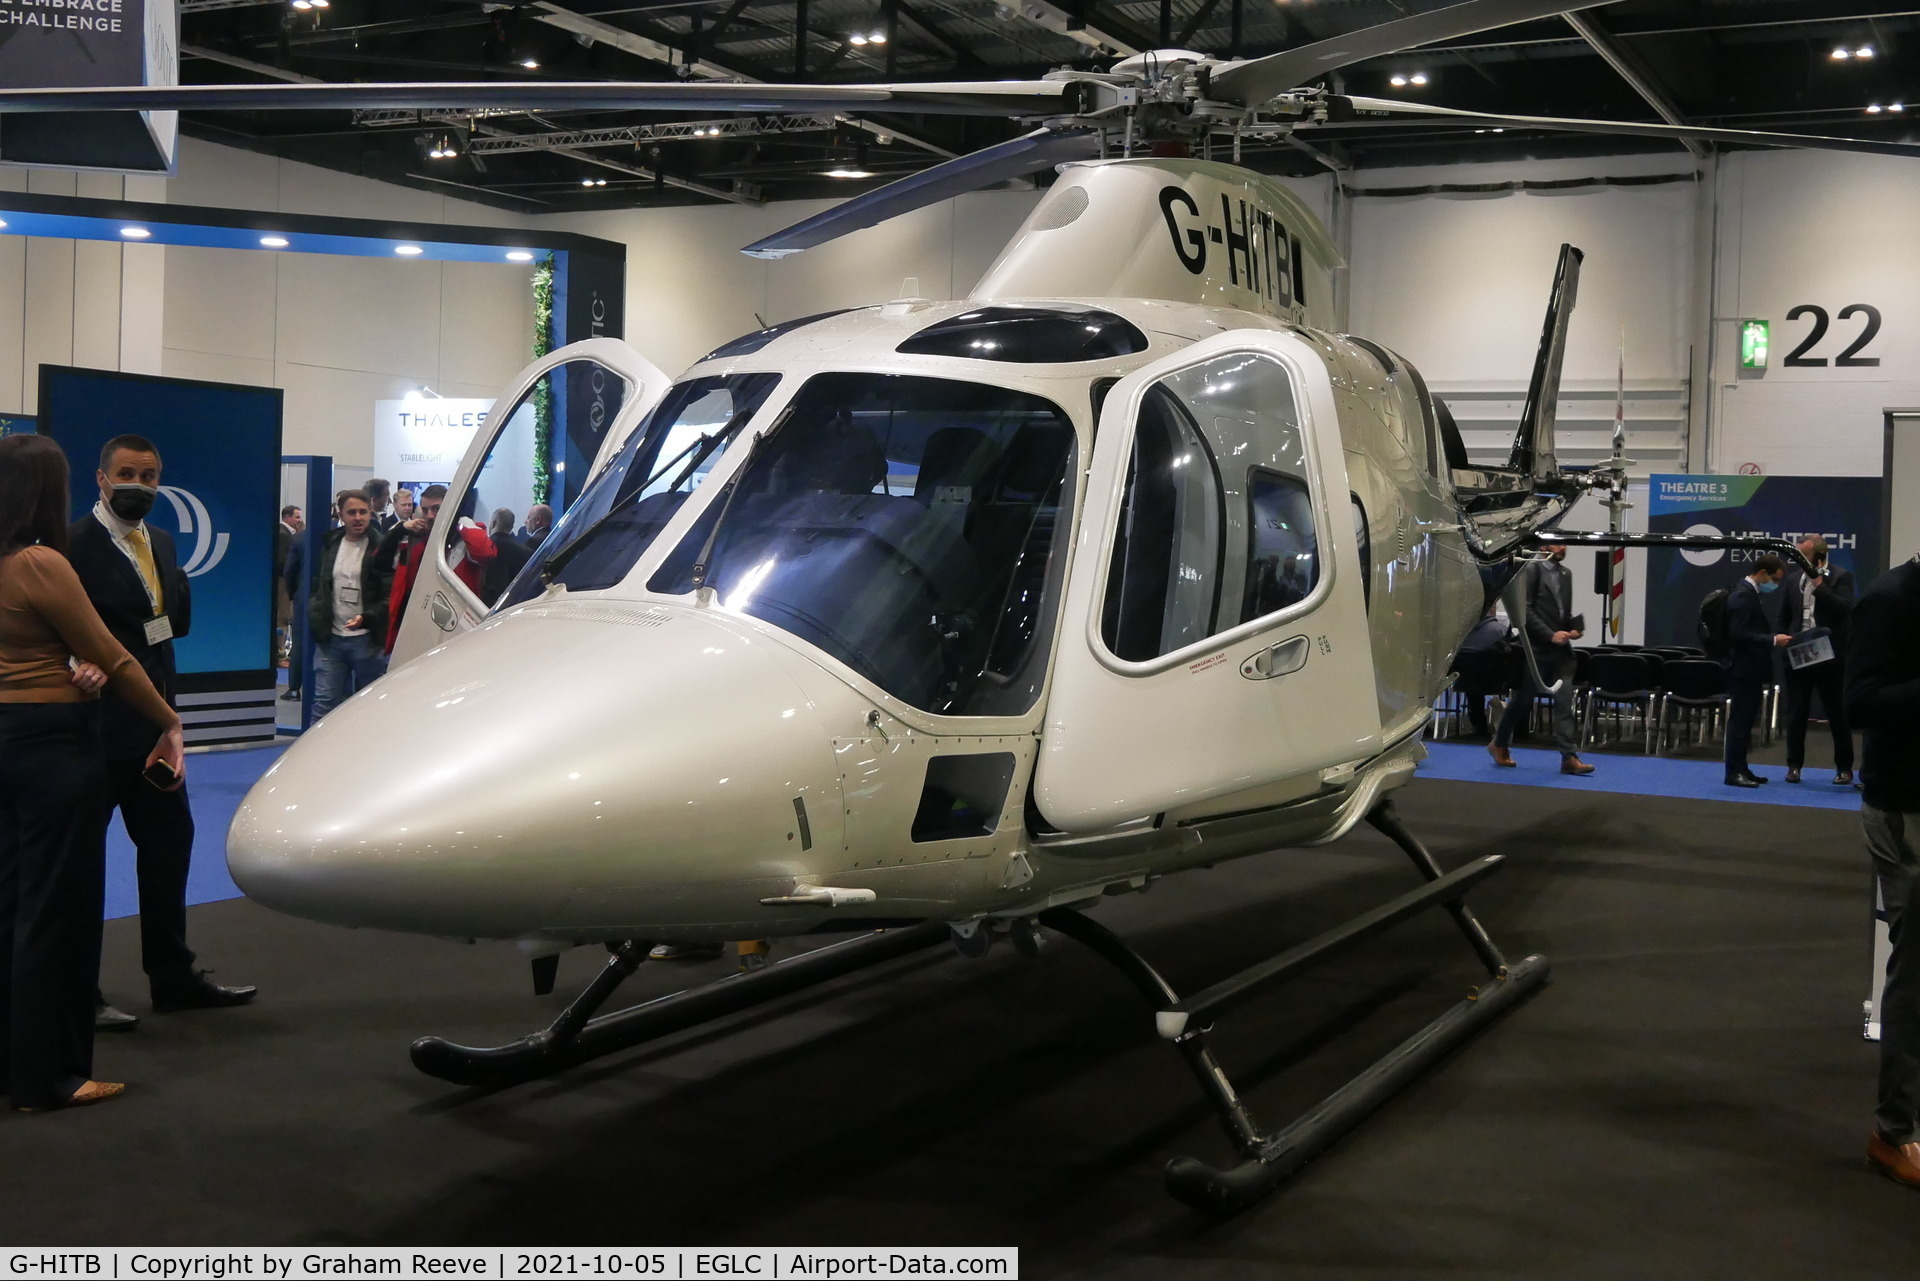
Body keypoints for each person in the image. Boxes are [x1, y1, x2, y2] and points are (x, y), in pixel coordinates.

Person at [0, 434, 185, 1110]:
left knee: (12, 904)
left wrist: (63, 663)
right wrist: (168, 721)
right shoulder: (42, 562)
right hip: (54, 748)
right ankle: (53, 1075)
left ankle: (15, 1066)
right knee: (58, 912)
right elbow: (115, 656)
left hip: (7, 741)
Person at [66, 435, 257, 1015]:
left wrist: (170, 723)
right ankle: (79, 995)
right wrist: (74, 665)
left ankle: (172, 978)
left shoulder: (166, 543)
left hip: (155, 733)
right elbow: (47, 632)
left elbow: (163, 631)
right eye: (127, 474)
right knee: (80, 869)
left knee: (171, 848)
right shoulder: (70, 547)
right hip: (90, 736)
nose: (140, 486)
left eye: (150, 477)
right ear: (101, 479)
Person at [1845, 549, 1920, 1188]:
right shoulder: (1891, 599)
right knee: (1917, 974)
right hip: (1905, 810)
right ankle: (1895, 1133)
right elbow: (1860, 702)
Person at [1488, 545, 1594, 775]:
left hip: (1561, 654)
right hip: (1535, 651)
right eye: (1558, 543)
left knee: (1565, 703)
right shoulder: (1531, 571)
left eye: (1565, 543)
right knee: (1521, 703)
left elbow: (1561, 612)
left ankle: (1569, 757)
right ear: (1545, 546)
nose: (1563, 547)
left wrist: (1574, 629)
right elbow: (1525, 610)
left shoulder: (1566, 574)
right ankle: (1499, 743)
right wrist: (1550, 634)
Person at [372, 484, 494, 654]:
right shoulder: (414, 539)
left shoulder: (465, 537)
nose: (430, 515)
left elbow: (485, 553)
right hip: (417, 626)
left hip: (458, 628)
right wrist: (400, 529)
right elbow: (379, 562)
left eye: (437, 509)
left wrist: (459, 521)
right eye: (425, 509)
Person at [1782, 535, 1857, 785]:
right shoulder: (1793, 580)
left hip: (1830, 658)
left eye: (1803, 555)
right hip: (1798, 655)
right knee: (1796, 714)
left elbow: (1844, 608)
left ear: (1819, 556)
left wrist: (1819, 584)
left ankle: (1844, 768)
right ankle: (1794, 766)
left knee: (1837, 714)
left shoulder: (1840, 577)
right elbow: (1785, 616)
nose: (1797, 559)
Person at [308, 491, 389, 720]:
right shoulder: (331, 544)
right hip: (331, 639)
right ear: (340, 515)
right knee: (324, 704)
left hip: (367, 641)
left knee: (370, 706)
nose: (358, 518)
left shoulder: (381, 546)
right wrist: (315, 612)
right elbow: (320, 585)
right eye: (351, 512)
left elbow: (389, 594)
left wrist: (368, 617)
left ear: (370, 513)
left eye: (363, 512)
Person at [1721, 552, 1794, 788]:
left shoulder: (1748, 593)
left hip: (1749, 669)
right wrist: (1772, 640)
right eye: (1775, 579)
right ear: (1762, 573)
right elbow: (1739, 634)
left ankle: (1742, 768)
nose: (1776, 585)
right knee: (1739, 723)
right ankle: (1733, 772)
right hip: (1743, 669)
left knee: (1745, 721)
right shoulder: (1743, 595)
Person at [276, 506, 305, 703]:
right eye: (296, 517)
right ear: (287, 517)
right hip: (283, 584)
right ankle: (279, 654)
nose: (298, 520)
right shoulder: (284, 535)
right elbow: (284, 564)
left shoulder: (292, 535)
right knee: (282, 618)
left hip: (287, 584)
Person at [482, 508, 531, 605]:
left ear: (493, 523)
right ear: (511, 526)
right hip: (509, 606)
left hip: (481, 601)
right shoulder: (526, 553)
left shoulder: (483, 547)